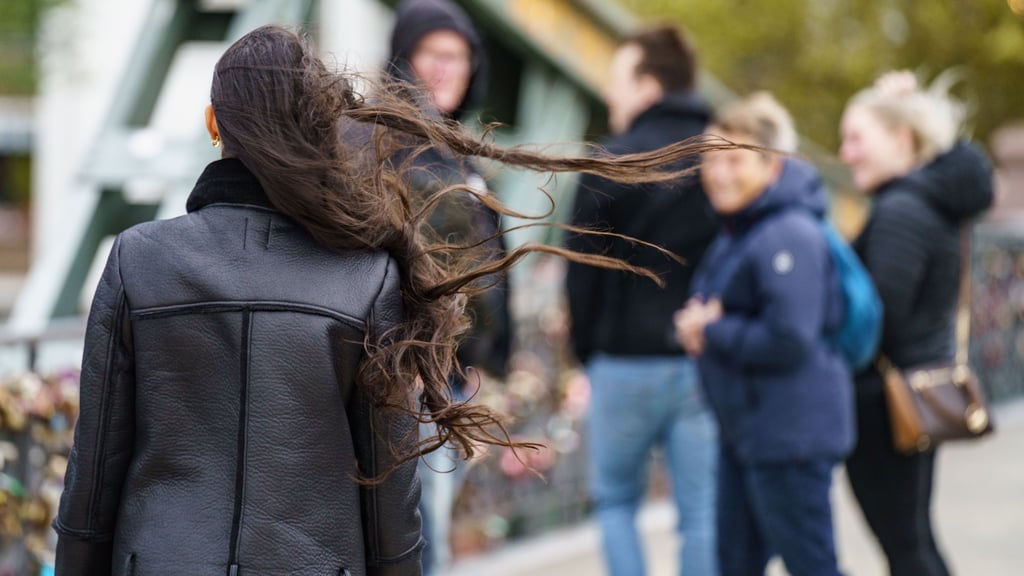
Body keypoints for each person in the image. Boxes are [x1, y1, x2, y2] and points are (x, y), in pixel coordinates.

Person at [50, 24, 733, 576]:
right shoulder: (364, 276)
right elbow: (389, 486)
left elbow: (95, 464)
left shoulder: (138, 259)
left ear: (212, 124)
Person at [675, 92, 853, 576]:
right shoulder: (741, 230)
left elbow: (791, 336)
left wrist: (713, 330)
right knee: (734, 564)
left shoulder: (787, 234)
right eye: (710, 159)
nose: (718, 172)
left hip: (789, 438)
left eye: (734, 159)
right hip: (751, 434)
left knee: (812, 565)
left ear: (773, 165)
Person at [565, 25, 720, 576]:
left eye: (617, 81)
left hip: (623, 363)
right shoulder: (722, 157)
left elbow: (580, 270)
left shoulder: (609, 159)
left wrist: (588, 351)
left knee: (615, 503)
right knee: (702, 513)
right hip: (702, 358)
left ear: (649, 86)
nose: (609, 94)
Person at [839, 71, 994, 576]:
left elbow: (878, 316)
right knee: (914, 540)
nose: (846, 153)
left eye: (857, 137)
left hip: (885, 404)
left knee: (906, 547)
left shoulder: (903, 209)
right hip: (912, 392)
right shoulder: (931, 201)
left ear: (901, 139)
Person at [384, 1, 509, 574]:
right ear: (404, 60)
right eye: (434, 54)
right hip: (408, 375)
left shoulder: (459, 154)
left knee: (432, 522)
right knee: (417, 531)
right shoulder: (383, 147)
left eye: (459, 57)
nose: (447, 68)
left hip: (455, 379)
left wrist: (490, 363)